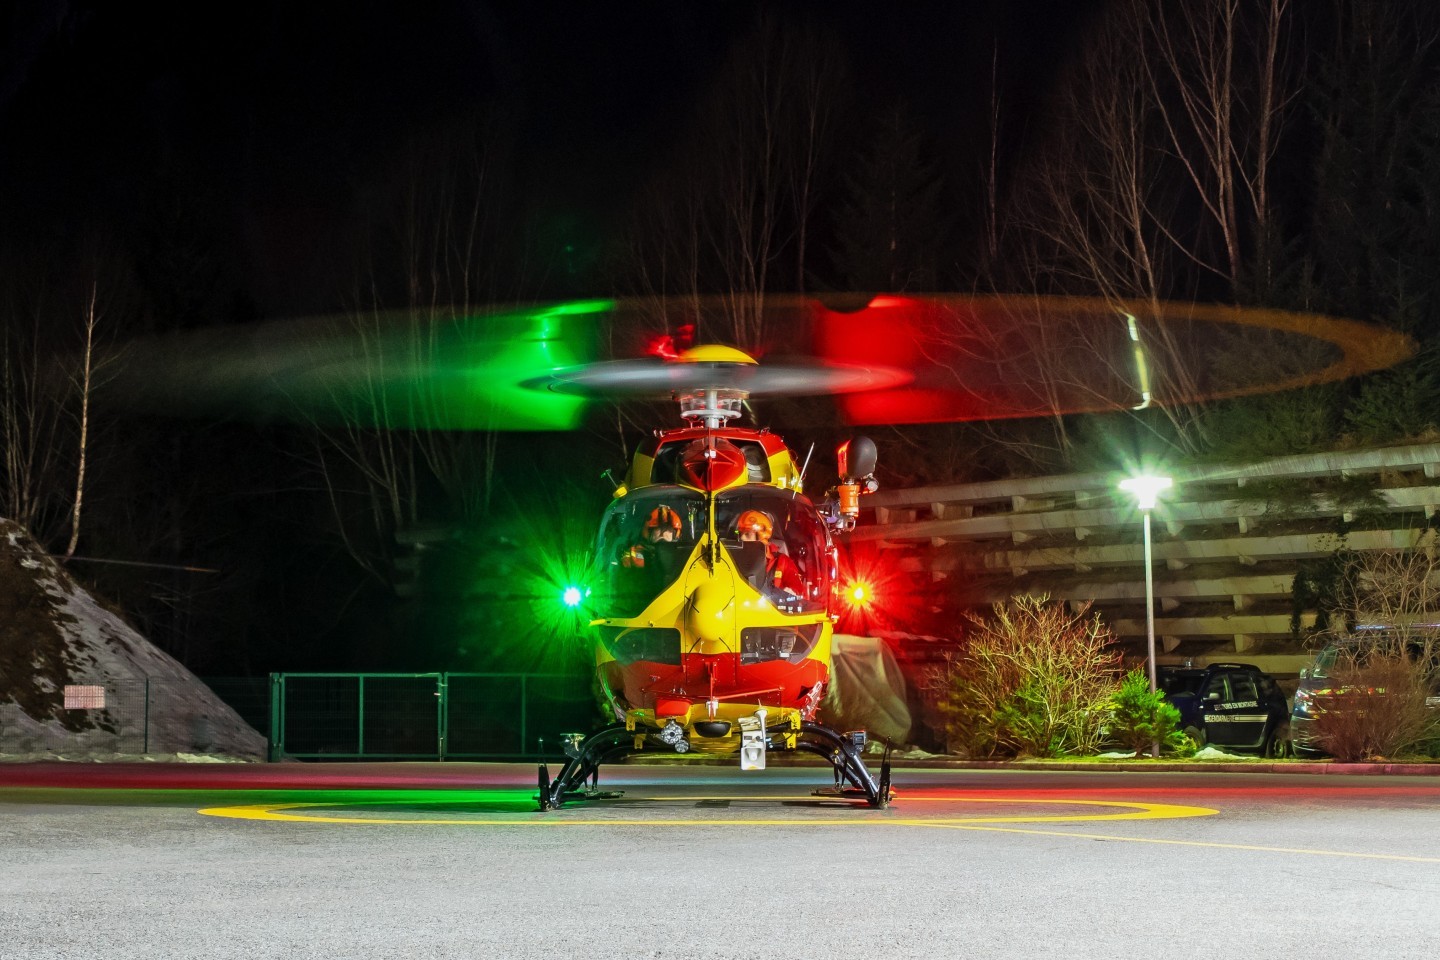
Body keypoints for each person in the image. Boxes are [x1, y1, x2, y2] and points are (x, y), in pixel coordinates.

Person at [735, 509, 804, 597]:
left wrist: (784, 595)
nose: (742, 538)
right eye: (741, 534)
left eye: (748, 535)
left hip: (770, 609)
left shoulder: (782, 562)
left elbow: (798, 592)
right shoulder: (732, 558)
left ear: (762, 537)